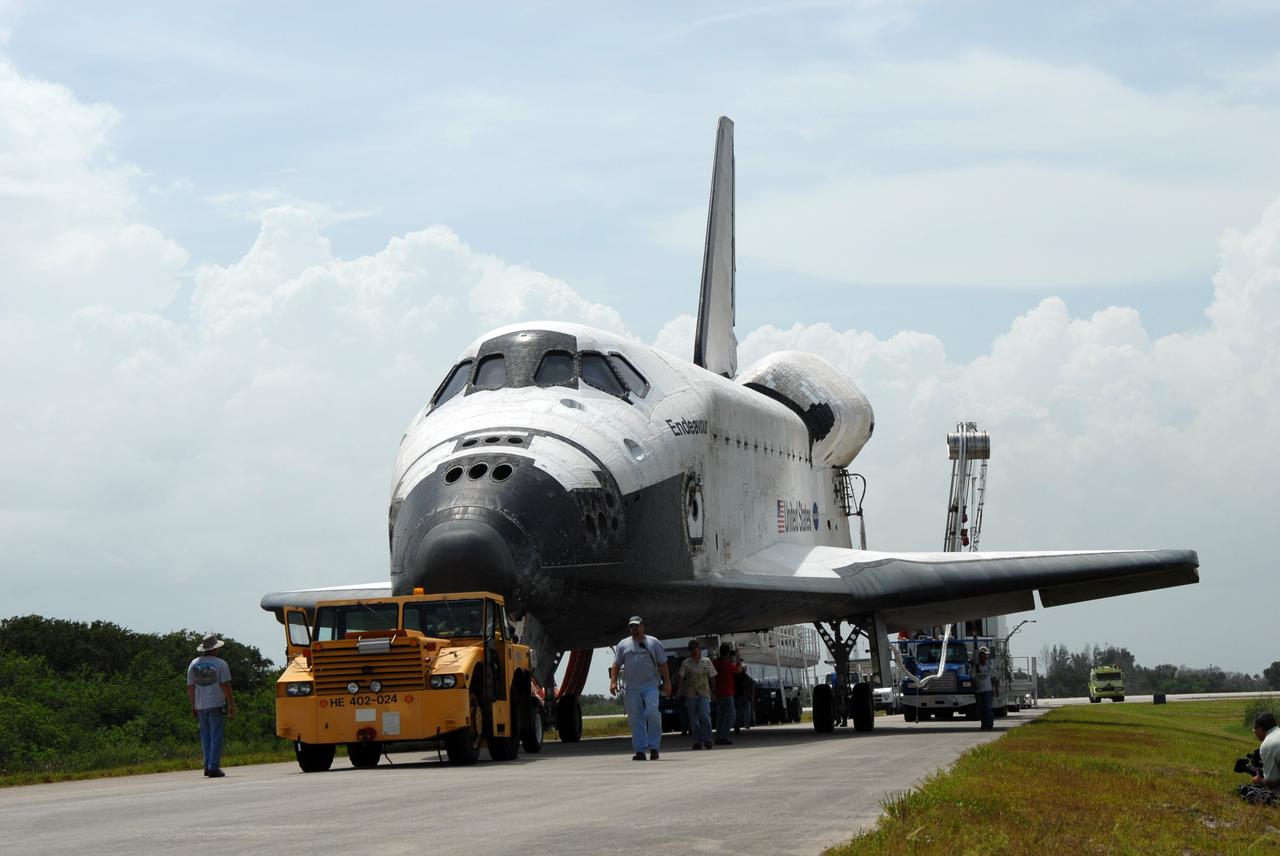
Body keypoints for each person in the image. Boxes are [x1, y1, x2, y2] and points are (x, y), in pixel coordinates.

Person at [609, 616, 671, 760]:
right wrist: (613, 682)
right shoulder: (623, 644)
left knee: (652, 713)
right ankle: (640, 750)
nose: (634, 629)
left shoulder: (653, 642)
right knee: (635, 718)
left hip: (650, 684)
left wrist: (667, 683)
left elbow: (663, 664)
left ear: (643, 626)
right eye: (631, 626)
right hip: (631, 687)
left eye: (637, 626)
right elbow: (616, 664)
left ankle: (654, 747)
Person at [187, 634, 236, 778]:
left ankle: (207, 765)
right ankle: (214, 766)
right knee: (216, 736)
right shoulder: (221, 664)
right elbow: (225, 685)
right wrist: (231, 704)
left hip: (200, 705)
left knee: (205, 736)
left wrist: (193, 705)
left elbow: (190, 687)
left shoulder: (193, 664)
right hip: (215, 703)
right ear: (215, 649)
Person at [676, 640, 717, 750]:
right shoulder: (686, 663)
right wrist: (679, 690)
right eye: (691, 648)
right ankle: (698, 740)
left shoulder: (706, 661)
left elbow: (712, 677)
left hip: (704, 693)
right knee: (693, 719)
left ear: (699, 648)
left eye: (695, 648)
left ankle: (707, 739)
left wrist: (714, 692)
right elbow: (681, 677)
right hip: (691, 694)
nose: (693, 650)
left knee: (704, 715)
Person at [1239, 712, 1280, 804]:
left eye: (1254, 730)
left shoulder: (1267, 744)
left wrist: (1258, 780)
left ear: (1260, 729)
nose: (1255, 733)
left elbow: (1272, 781)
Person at [712, 643, 741, 745]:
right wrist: (737, 658)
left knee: (720, 717)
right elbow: (739, 670)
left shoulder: (715, 663)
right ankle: (723, 736)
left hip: (718, 693)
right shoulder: (728, 665)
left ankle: (719, 736)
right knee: (731, 715)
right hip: (727, 693)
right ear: (728, 653)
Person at [972, 646, 994, 731]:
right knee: (981, 709)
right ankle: (983, 724)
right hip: (979, 692)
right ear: (979, 658)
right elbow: (973, 678)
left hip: (988, 691)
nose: (982, 658)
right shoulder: (976, 668)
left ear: (986, 658)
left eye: (983, 657)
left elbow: (994, 678)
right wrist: (974, 688)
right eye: (980, 657)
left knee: (988, 708)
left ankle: (990, 723)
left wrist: (995, 689)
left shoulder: (989, 667)